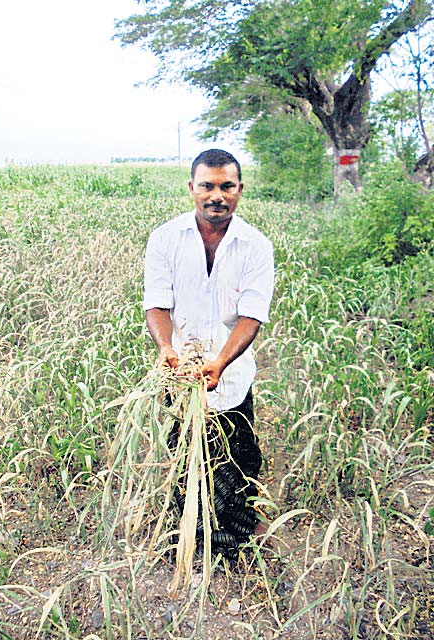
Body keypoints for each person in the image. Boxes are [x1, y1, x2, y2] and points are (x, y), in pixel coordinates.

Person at [143, 149, 275, 558]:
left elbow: (251, 316)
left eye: (226, 186)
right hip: (181, 375)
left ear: (239, 190)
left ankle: (235, 540)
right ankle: (187, 536)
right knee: (185, 459)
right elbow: (157, 304)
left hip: (230, 376)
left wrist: (219, 362)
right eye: (207, 186)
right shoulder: (165, 239)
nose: (216, 195)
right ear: (192, 189)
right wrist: (167, 349)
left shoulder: (255, 245)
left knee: (237, 462)